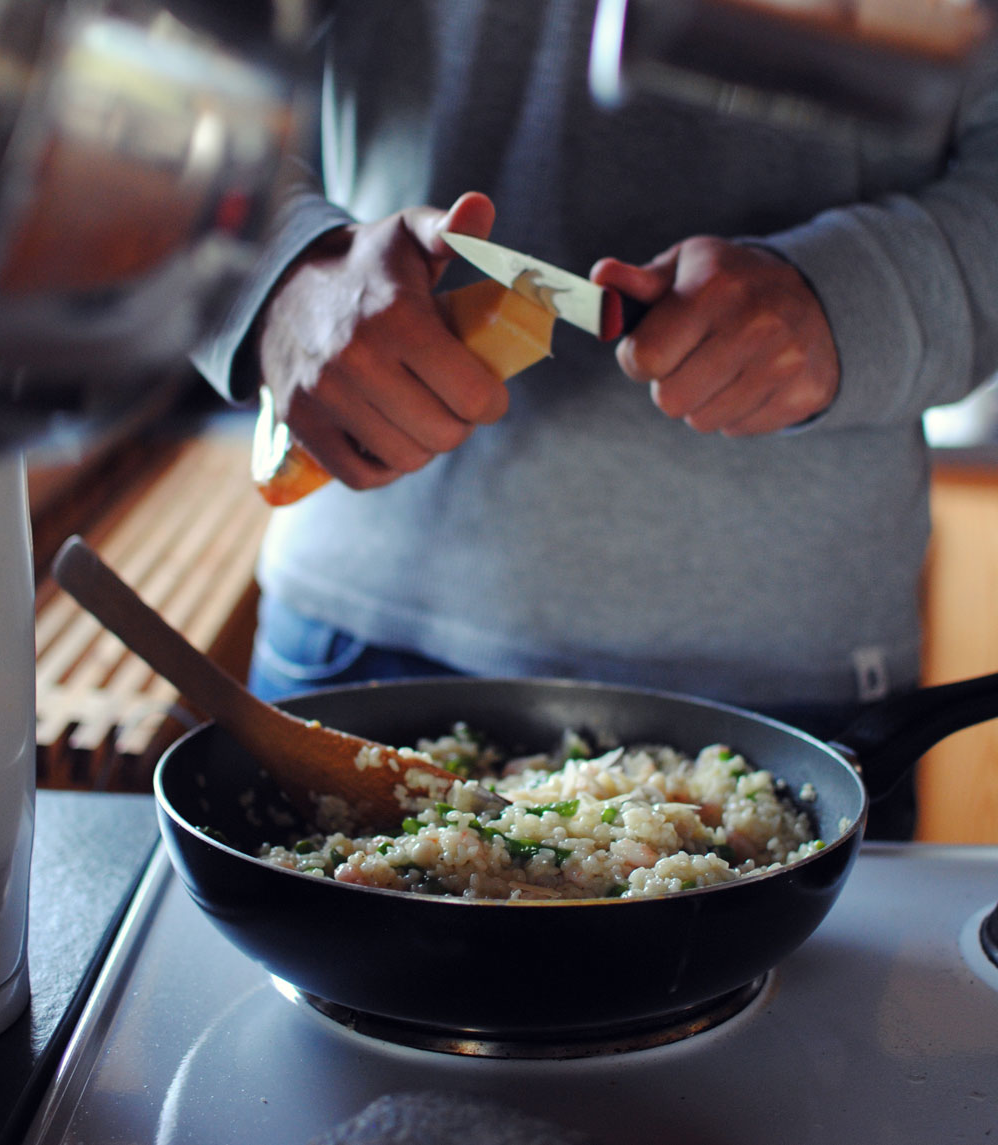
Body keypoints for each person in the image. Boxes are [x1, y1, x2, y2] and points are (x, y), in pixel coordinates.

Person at [195, 3, 998, 840]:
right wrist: (277, 274)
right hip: (362, 639)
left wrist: (863, 298)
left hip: (798, 677)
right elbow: (165, 43)